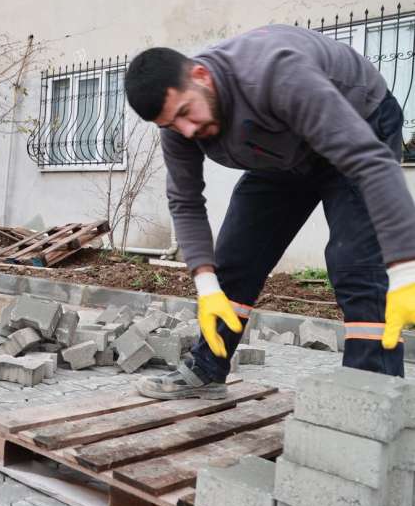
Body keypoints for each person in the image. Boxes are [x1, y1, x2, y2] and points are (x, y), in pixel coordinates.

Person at [124, 24, 415, 400]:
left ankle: (369, 396)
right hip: (283, 154)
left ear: (201, 76)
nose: (187, 129)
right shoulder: (178, 125)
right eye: (171, 124)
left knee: (356, 265)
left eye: (185, 113)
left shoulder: (274, 74)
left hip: (358, 125)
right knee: (234, 259)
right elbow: (185, 199)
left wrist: (406, 267)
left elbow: (369, 162)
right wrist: (206, 284)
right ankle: (207, 369)